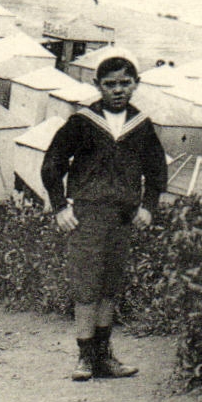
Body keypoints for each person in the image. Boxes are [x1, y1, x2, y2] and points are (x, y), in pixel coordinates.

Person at [40, 56, 166, 381]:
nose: (118, 90)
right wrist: (60, 207)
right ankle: (84, 358)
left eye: (125, 83)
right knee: (87, 286)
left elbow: (157, 170)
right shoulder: (83, 122)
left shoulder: (141, 125)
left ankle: (103, 357)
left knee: (110, 286)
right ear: (98, 86)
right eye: (110, 84)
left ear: (136, 84)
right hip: (87, 216)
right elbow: (52, 163)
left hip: (122, 218)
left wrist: (148, 206)